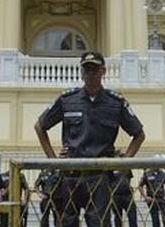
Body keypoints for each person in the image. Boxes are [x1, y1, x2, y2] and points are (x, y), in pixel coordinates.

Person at [34, 51, 146, 227]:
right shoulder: (67, 100)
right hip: (70, 174)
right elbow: (40, 127)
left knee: (99, 223)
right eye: (87, 69)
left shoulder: (115, 102)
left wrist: (125, 161)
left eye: (94, 69)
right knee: (67, 223)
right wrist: (53, 160)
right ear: (81, 72)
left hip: (100, 176)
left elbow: (139, 134)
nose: (90, 74)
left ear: (103, 71)